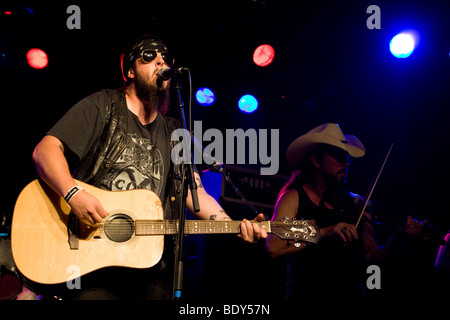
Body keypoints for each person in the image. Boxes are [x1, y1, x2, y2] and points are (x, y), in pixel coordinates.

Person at [32, 35, 267, 300]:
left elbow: (194, 192)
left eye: (165, 57)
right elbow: (46, 150)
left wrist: (232, 224)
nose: (160, 61)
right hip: (91, 258)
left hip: (150, 265)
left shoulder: (175, 132)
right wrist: (72, 192)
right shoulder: (103, 106)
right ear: (130, 70)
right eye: (149, 56)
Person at [265, 123, 428, 301]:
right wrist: (323, 232)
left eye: (346, 157)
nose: (346, 162)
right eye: (338, 156)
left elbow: (372, 258)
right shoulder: (294, 197)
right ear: (316, 160)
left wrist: (399, 236)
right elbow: (274, 246)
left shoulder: (356, 205)